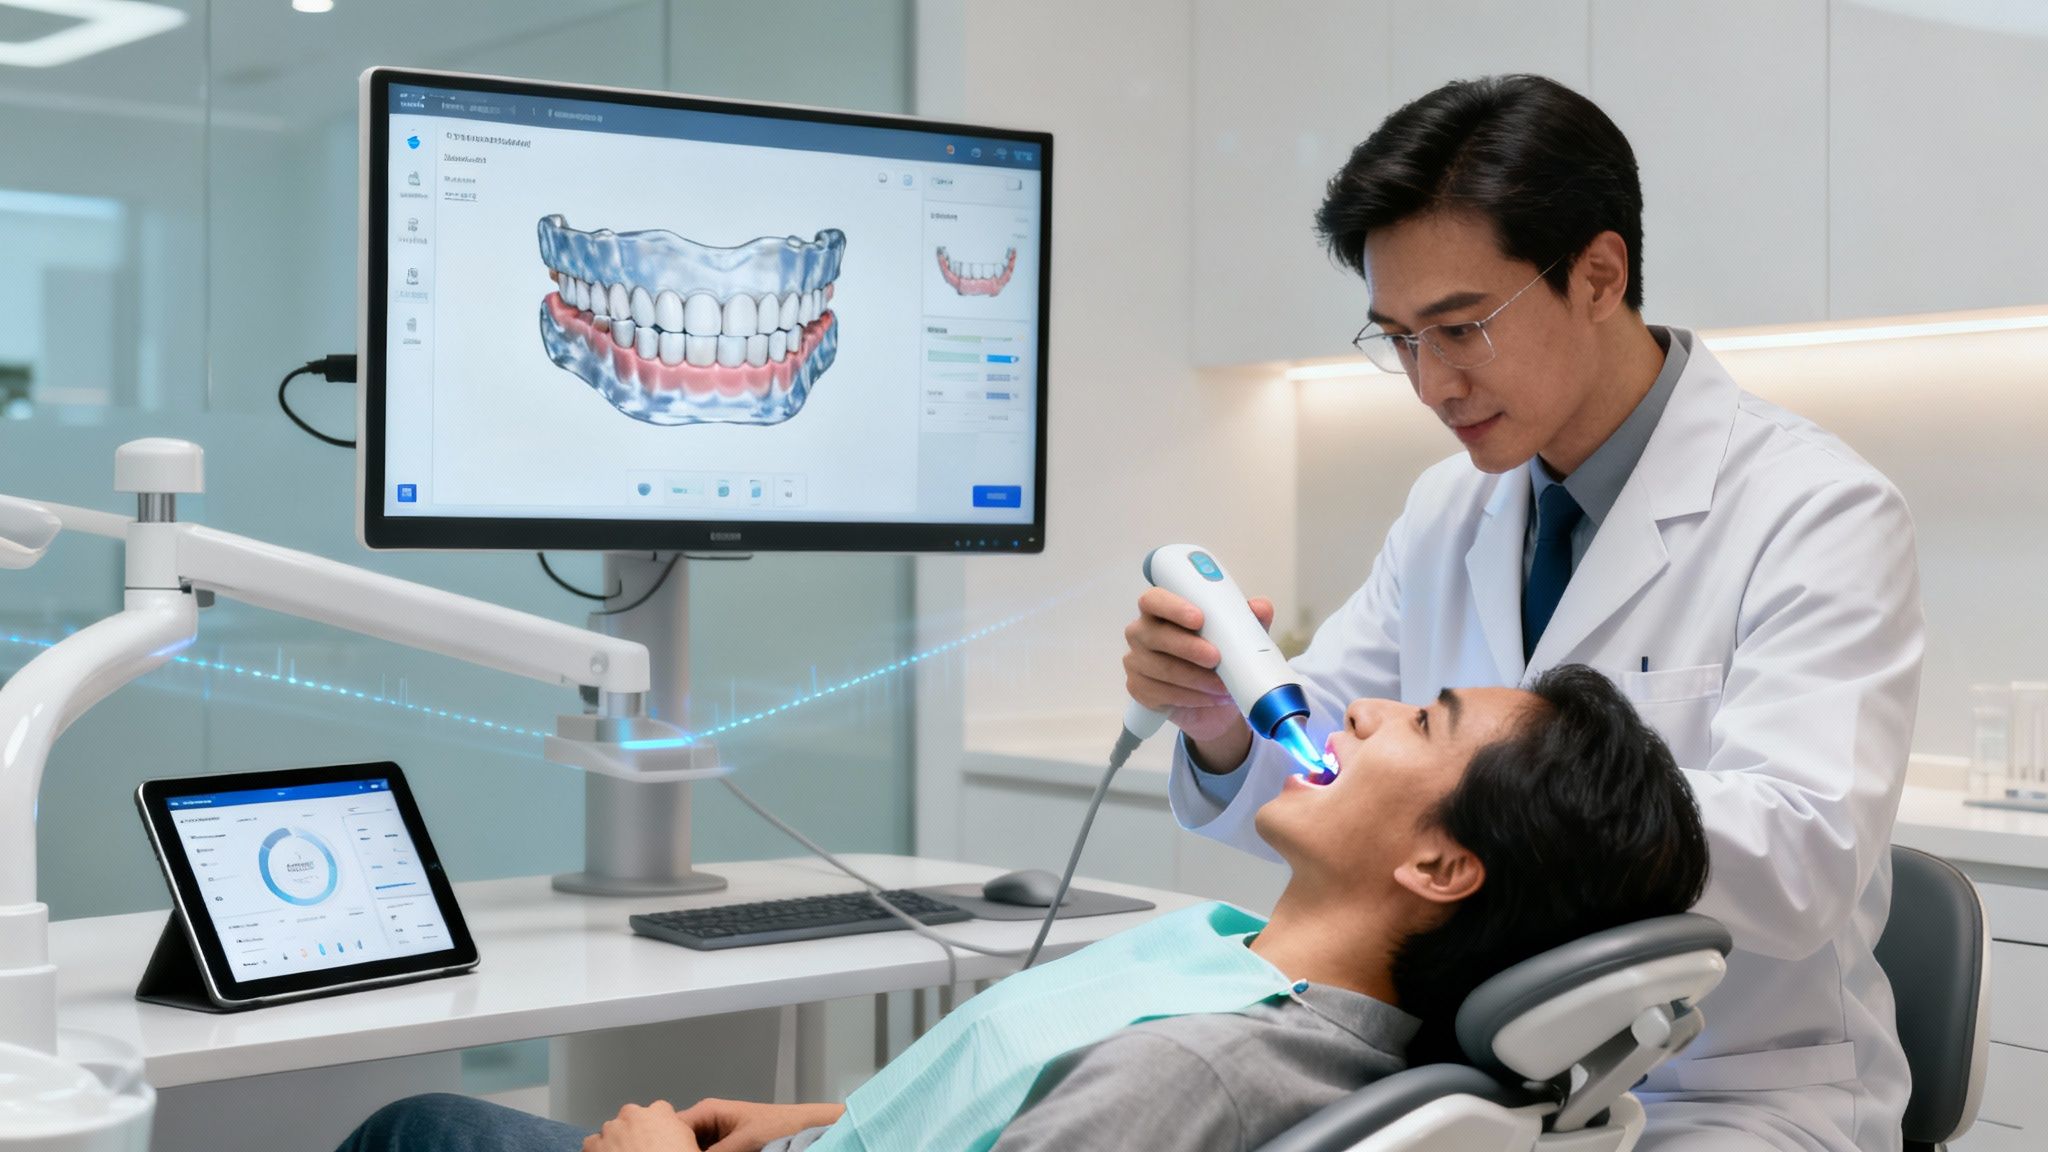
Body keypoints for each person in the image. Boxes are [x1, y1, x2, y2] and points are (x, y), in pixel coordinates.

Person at [1124, 74, 1924, 1152]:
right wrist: (1223, 724)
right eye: (1398, 338)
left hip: (1727, 1093)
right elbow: (1330, 757)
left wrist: (1510, 802)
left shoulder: (1813, 508)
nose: (1430, 383)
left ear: (1597, 274)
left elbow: (1802, 860)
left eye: (1459, 328)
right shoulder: (1450, 506)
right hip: (1483, 1079)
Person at [336, 665, 1709, 1152]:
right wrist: (828, 1119)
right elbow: (1042, 1094)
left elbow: (1121, 1104)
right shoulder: (1243, 971)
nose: (1361, 705)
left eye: (1426, 718)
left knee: (416, 1128)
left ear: (1443, 869)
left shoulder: (1199, 1073)